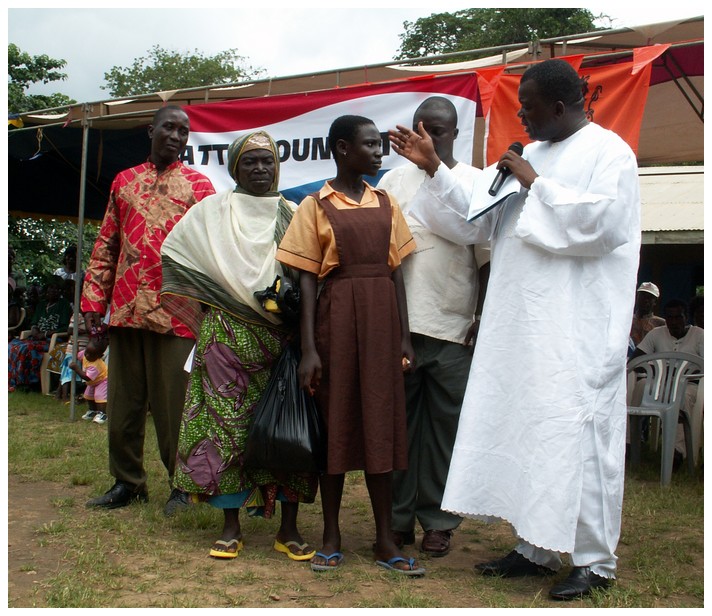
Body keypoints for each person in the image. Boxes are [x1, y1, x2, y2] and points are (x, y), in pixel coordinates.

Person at [389, 59, 641, 599]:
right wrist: (436, 169)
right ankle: (536, 547)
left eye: (527, 105)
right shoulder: (527, 156)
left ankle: (595, 561)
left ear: (559, 105)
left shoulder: (608, 151)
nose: (520, 114)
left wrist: (538, 185)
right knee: (532, 436)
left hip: (576, 332)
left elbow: (604, 225)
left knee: (582, 442)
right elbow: (472, 220)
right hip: (522, 330)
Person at [277, 115, 424, 576]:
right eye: (370, 145)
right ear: (343, 148)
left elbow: (396, 271)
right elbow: (305, 280)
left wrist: (403, 334)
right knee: (336, 424)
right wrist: (309, 350)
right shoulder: (314, 205)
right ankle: (331, 535)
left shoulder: (386, 202)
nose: (380, 153)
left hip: (382, 323)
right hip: (334, 321)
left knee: (381, 424)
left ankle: (384, 540)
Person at [160, 131, 317, 559]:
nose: (260, 169)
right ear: (235, 168)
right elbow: (175, 255)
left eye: (267, 161)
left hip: (282, 340)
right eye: (250, 162)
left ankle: (289, 528)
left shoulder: (295, 214)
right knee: (225, 430)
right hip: (226, 339)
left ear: (278, 166)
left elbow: (309, 272)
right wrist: (212, 299)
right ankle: (230, 526)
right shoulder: (211, 212)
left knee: (288, 428)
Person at [81, 105, 215, 513]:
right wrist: (93, 303)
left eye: (184, 131)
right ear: (150, 130)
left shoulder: (199, 186)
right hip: (125, 310)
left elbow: (210, 250)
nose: (176, 136)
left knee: (175, 405)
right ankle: (127, 482)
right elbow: (106, 245)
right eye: (169, 128)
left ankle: (182, 485)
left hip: (176, 312)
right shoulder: (124, 182)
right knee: (124, 404)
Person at [377, 96, 489, 557]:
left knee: (446, 429)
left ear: (456, 134)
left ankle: (439, 522)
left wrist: (481, 319)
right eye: (422, 128)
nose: (429, 138)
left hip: (454, 326)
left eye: (439, 131)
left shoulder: (477, 183)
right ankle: (399, 519)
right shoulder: (391, 180)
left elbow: (485, 261)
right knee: (398, 427)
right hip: (399, 326)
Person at [632, 298, 704, 464]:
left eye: (678, 317)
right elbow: (635, 361)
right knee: (641, 385)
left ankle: (677, 452)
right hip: (660, 384)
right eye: (669, 317)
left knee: (682, 397)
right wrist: (656, 372)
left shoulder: (700, 335)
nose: (673, 322)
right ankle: (630, 443)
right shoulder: (656, 334)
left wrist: (681, 375)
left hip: (690, 385)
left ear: (687, 318)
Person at [8, 277, 72, 391]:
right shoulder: (41, 305)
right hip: (36, 338)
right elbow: (34, 322)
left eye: (56, 289)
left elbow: (65, 327)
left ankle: (28, 382)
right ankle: (12, 380)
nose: (52, 291)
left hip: (53, 339)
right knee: (12, 345)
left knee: (27, 349)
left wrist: (45, 334)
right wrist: (34, 330)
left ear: (60, 291)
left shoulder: (64, 305)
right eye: (50, 289)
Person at [69, 336, 109, 424]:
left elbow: (87, 377)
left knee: (99, 396)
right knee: (88, 396)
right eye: (86, 352)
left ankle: (103, 414)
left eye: (91, 354)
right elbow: (78, 355)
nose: (87, 355)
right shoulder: (86, 354)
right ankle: (92, 410)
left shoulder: (96, 365)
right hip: (93, 382)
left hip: (102, 381)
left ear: (99, 356)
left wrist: (76, 368)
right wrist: (76, 347)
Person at [630, 282, 665, 347]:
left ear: (655, 301)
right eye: (642, 296)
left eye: (650, 297)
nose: (645, 300)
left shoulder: (662, 324)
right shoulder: (627, 321)